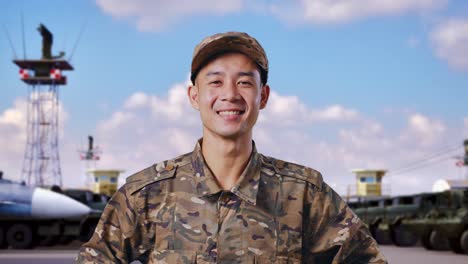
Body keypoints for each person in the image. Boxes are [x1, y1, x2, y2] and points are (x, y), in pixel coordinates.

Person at [76, 32, 387, 263]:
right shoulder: (146, 195)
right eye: (214, 82)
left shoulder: (304, 194)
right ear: (194, 96)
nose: (230, 95)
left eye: (244, 82)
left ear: (262, 97)